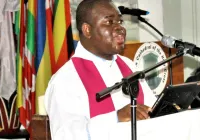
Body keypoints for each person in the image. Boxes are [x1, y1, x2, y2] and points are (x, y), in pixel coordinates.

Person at [44, 0, 156, 139]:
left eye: (120, 22)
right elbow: (68, 135)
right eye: (109, 22)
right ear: (87, 30)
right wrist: (116, 117)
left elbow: (152, 108)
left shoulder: (129, 65)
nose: (120, 28)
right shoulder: (66, 79)